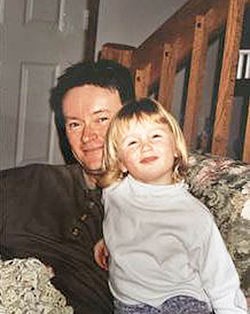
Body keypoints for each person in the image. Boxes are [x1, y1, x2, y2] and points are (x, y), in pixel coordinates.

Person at [0, 59, 135, 313]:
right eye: (75, 124)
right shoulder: (33, 181)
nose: (87, 136)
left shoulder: (152, 210)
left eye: (101, 119)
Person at [94, 98, 248, 314]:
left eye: (155, 136)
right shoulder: (113, 191)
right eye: (132, 142)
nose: (146, 146)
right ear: (120, 162)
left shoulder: (194, 215)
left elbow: (219, 277)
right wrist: (107, 239)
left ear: (175, 148)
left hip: (182, 301)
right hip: (128, 304)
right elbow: (122, 219)